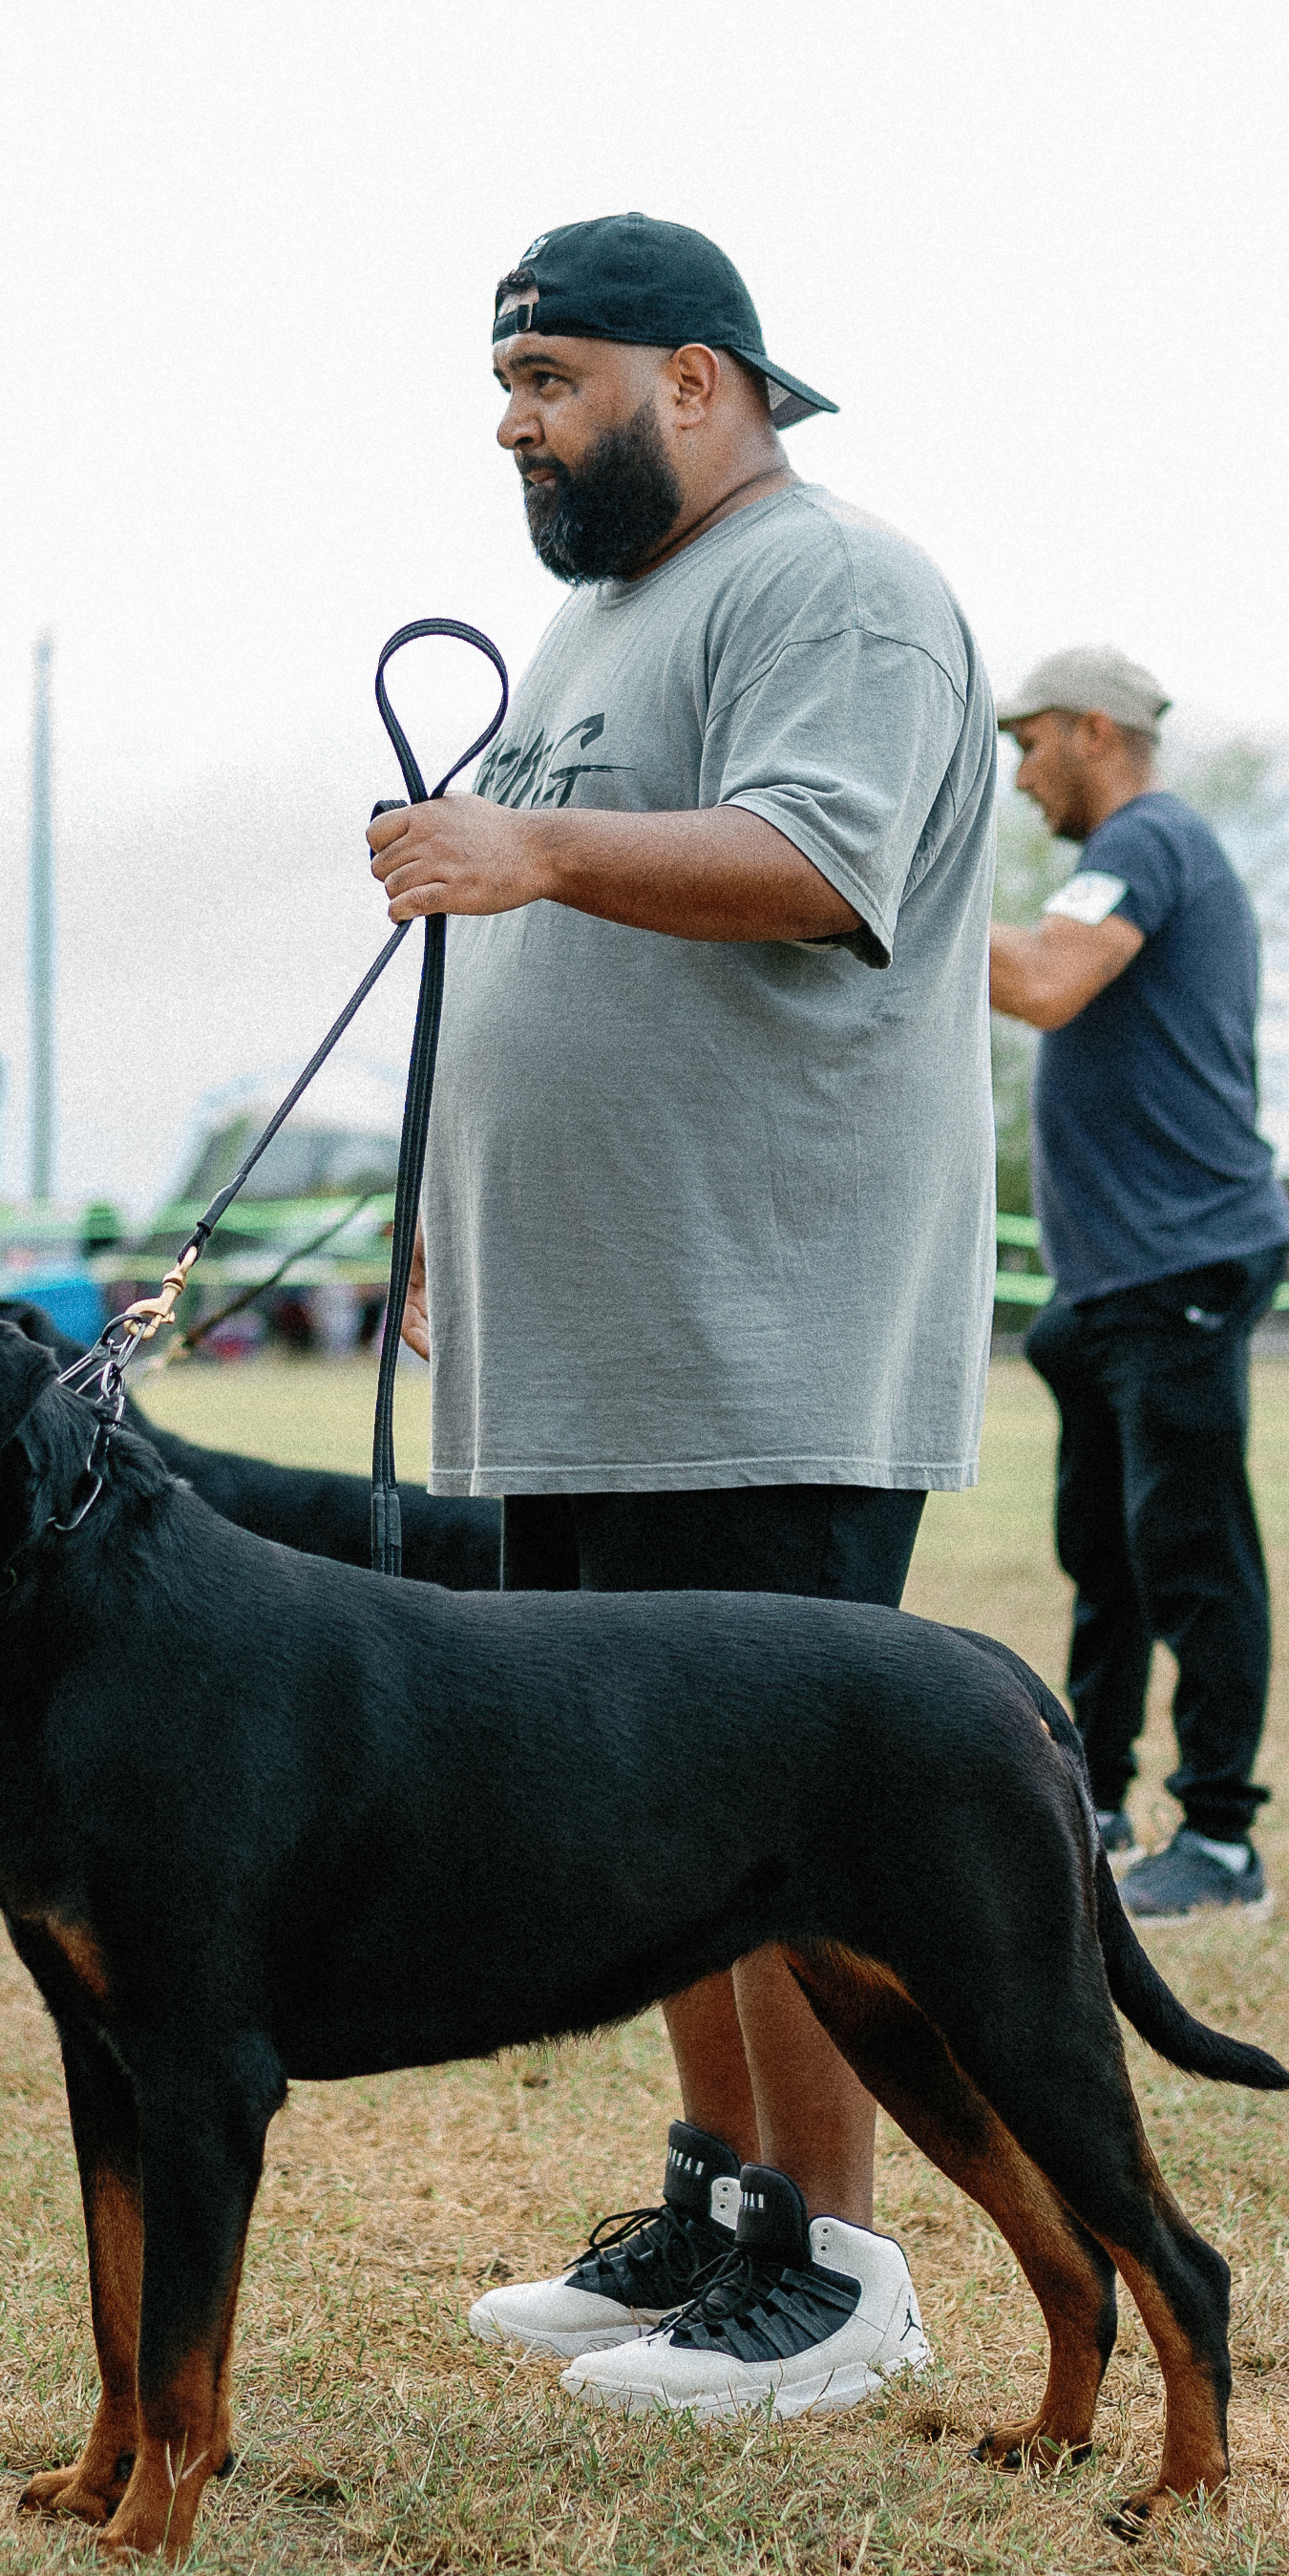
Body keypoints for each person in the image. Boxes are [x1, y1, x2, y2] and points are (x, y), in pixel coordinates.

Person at [367, 214, 999, 2420]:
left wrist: (531, 847)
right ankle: (726, 2207)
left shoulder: (832, 583)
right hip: (594, 1336)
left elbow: (824, 866)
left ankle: (836, 2274)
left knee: (779, 1817)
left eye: (551, 380)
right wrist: (446, 1204)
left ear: (698, 381)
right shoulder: (602, 617)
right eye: (504, 389)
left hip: (758, 1327)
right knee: (650, 1819)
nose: (515, 427)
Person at [986, 651, 1289, 1923]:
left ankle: (1220, 1844)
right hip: (1113, 1283)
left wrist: (877, 899)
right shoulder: (1124, 858)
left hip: (1182, 1263)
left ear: (1093, 731)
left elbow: (1044, 981)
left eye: (1028, 746)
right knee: (1106, 1559)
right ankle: (1093, 1806)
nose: (1020, 778)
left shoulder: (1150, 839)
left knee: (1191, 1555)